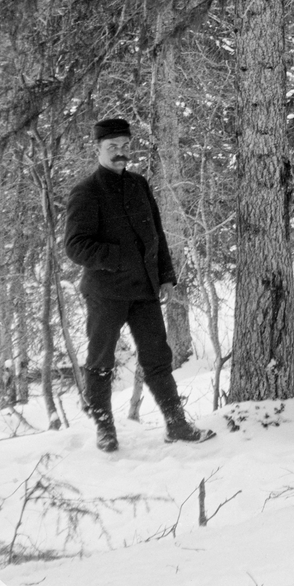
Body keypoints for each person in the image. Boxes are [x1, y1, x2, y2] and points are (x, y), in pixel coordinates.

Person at [65, 117, 213, 452]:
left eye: (124, 146)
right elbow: (75, 246)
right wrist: (119, 258)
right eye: (112, 147)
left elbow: (156, 234)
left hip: (145, 291)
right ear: (98, 149)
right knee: (101, 360)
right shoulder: (86, 192)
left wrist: (166, 276)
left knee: (157, 357)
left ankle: (176, 423)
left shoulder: (138, 184)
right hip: (106, 293)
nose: (120, 153)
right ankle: (104, 428)